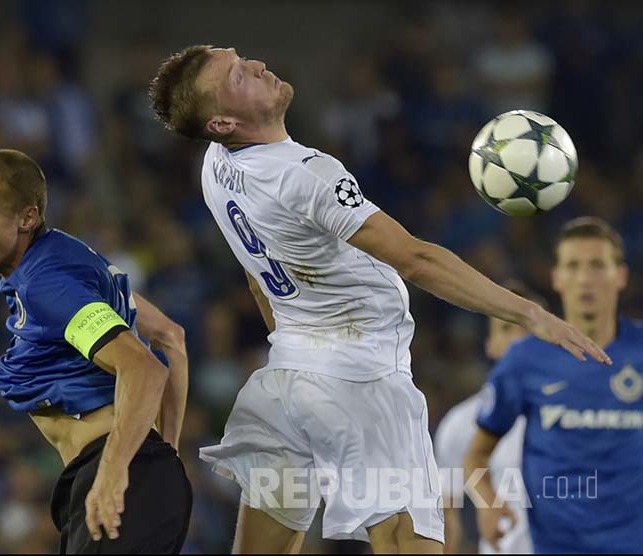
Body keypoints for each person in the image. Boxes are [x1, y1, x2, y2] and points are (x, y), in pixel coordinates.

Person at [148, 45, 610, 555]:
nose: (256, 66)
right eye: (238, 75)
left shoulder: (215, 169)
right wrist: (530, 312)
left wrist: (296, 346)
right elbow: (416, 260)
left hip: (284, 383)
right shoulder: (307, 173)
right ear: (221, 122)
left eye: (244, 59)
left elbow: (258, 279)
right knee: (408, 542)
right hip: (362, 382)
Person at [0, 149, 192, 553]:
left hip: (117, 476)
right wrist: (165, 457)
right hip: (138, 476)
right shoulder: (68, 259)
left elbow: (145, 368)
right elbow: (171, 337)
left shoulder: (46, 285)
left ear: (27, 218)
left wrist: (117, 472)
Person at [465, 217, 643, 554]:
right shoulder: (525, 359)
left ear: (621, 276)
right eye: (573, 266)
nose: (585, 279)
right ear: (557, 278)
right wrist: (486, 502)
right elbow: (475, 455)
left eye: (597, 265)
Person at [435, 281, 546, 554]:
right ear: (491, 345)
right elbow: (445, 514)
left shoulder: (575, 412)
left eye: (530, 327)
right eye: (507, 327)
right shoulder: (461, 423)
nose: (520, 338)